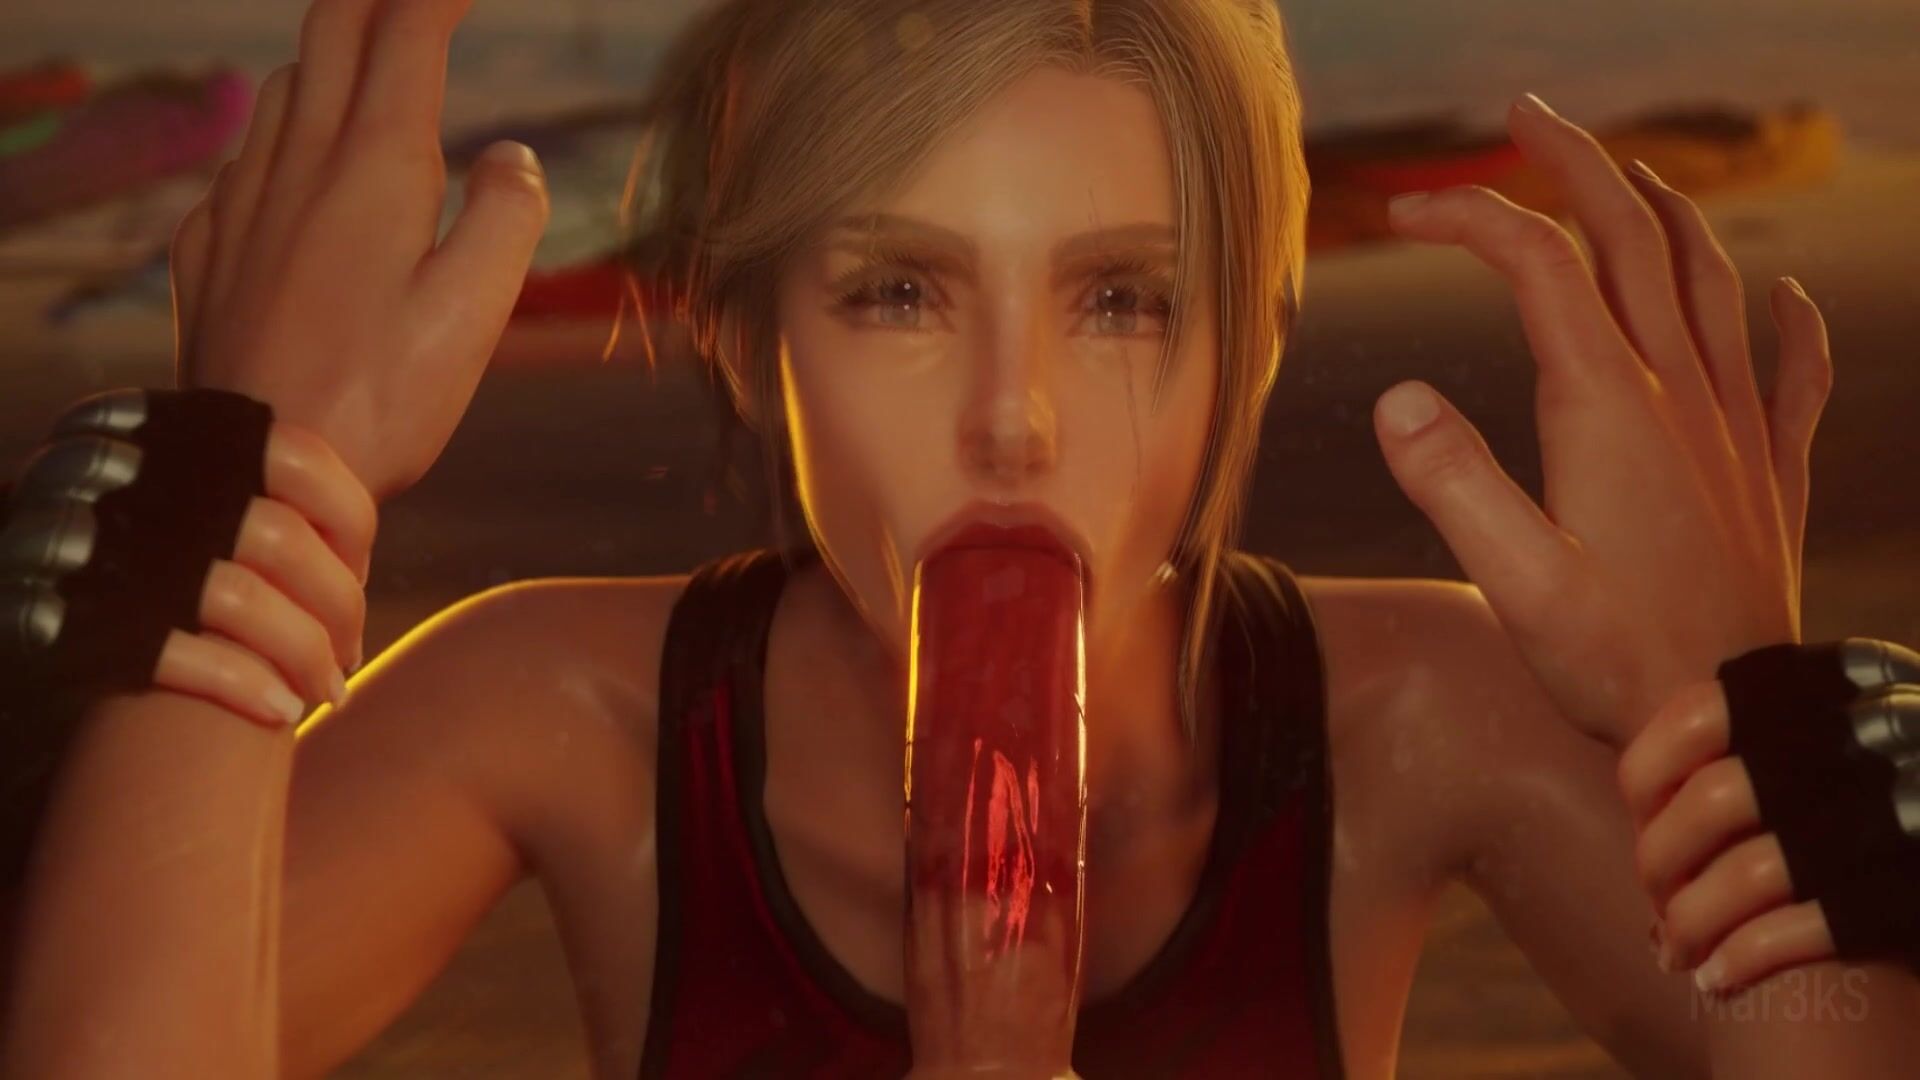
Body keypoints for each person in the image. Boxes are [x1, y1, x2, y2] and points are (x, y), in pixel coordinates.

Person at [4, 0, 1918, 1077]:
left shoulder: (1422, 716)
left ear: (1251, 344)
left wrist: (1750, 716)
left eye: (1124, 301)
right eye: (900, 293)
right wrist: (237, 499)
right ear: (747, 339)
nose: (1018, 417)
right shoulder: (557, 711)